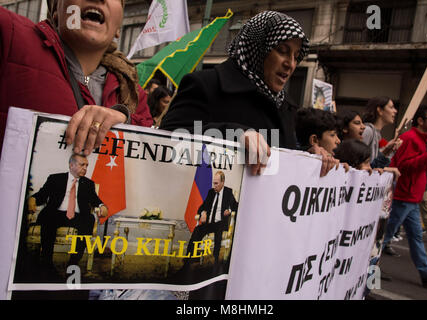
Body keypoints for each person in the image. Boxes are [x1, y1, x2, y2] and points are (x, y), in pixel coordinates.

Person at [160, 11, 338, 177]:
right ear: (258, 48)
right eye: (282, 51)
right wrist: (235, 134)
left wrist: (309, 158)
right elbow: (165, 141)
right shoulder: (206, 85)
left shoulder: (286, 105)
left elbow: (278, 159)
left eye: (296, 56)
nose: (290, 64)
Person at [0, 0, 153, 158]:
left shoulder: (133, 93)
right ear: (56, 12)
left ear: (118, 29)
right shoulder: (11, 35)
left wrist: (124, 124)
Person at [382, 105, 427, 287]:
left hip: (411, 198)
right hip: (404, 196)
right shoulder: (410, 138)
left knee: (415, 237)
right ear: (421, 121)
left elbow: (418, 165)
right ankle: (366, 268)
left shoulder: (419, 140)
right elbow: (402, 167)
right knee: (385, 234)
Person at [28, 153, 107, 273]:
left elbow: (94, 199)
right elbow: (42, 194)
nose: (85, 168)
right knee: (48, 217)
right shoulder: (55, 178)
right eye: (82, 165)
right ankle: (47, 262)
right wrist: (33, 198)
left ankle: (73, 262)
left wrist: (102, 206)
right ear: (71, 165)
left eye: (87, 165)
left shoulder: (88, 183)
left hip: (77, 216)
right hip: (56, 213)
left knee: (89, 219)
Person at [184, 171, 238, 267]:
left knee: (218, 228)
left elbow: (236, 206)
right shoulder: (211, 192)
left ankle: (215, 259)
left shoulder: (228, 192)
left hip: (220, 223)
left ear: (222, 182)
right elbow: (202, 206)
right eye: (214, 183)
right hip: (209, 223)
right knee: (197, 230)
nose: (214, 186)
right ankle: (191, 258)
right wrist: (203, 212)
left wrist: (229, 210)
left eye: (216, 183)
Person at [362, 96, 402, 168]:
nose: (395, 111)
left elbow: (375, 164)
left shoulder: (377, 134)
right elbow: (360, 163)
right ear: (380, 110)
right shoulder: (368, 131)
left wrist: (389, 151)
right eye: (391, 107)